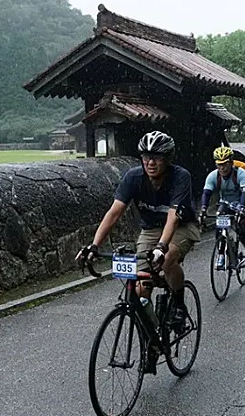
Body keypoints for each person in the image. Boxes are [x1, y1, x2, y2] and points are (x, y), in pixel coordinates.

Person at [75, 131, 201, 372]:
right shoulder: (133, 177)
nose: (150, 162)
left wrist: (161, 248)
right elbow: (114, 212)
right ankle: (153, 339)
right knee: (141, 288)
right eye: (146, 157)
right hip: (151, 229)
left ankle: (179, 304)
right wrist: (94, 246)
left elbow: (173, 217)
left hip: (181, 227)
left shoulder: (180, 177)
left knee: (167, 259)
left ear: (168, 159)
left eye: (157, 157)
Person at [200, 146, 245, 268]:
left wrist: (242, 208)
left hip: (243, 202)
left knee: (241, 230)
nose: (222, 168)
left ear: (231, 163)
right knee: (219, 227)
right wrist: (203, 209)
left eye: (225, 164)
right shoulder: (213, 176)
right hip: (226, 203)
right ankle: (221, 254)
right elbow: (206, 193)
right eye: (219, 164)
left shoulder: (241, 173)